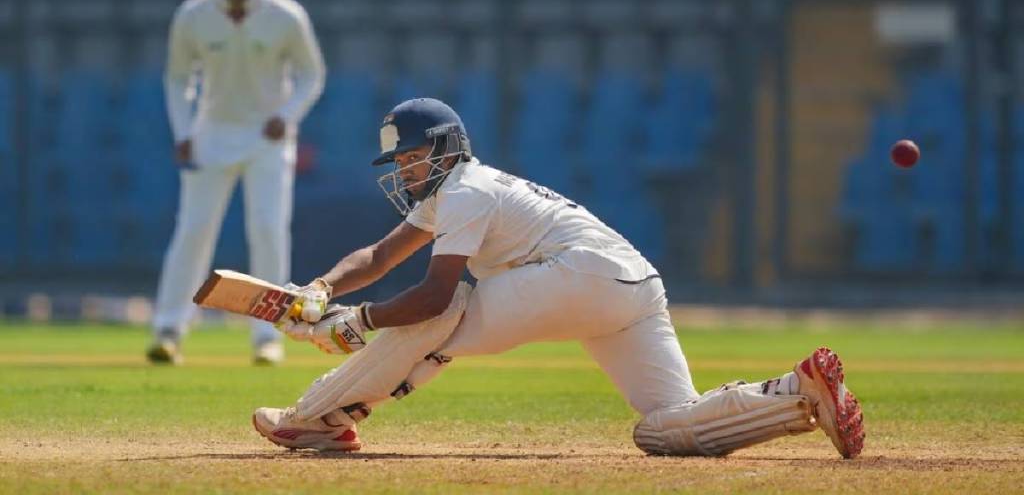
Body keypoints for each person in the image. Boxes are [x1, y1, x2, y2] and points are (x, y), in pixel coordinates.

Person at [250, 98, 865, 457]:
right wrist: (322, 290)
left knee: (439, 318)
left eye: (414, 157)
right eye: (401, 161)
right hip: (633, 286)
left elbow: (432, 296)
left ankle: (319, 417)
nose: (407, 171)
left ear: (446, 148)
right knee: (663, 428)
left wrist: (357, 323)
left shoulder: (466, 190)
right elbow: (380, 258)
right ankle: (796, 391)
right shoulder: (452, 194)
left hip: (579, 276)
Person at [146, 0, 326, 365]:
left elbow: (311, 75)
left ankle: (268, 336)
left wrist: (286, 117)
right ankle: (169, 329)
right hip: (211, 134)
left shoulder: (287, 16)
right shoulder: (192, 15)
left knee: (266, 230)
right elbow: (176, 77)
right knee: (193, 231)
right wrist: (184, 132)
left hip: (267, 138)